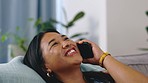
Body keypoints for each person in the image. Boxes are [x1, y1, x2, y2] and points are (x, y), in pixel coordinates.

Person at [23, 29, 148, 83]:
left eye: (66, 38)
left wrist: (102, 58)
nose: (66, 43)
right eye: (54, 44)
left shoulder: (103, 77)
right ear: (45, 67)